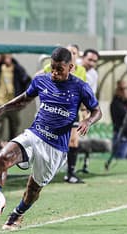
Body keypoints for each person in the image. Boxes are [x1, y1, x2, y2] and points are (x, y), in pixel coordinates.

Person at [0, 47, 102, 230]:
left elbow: (97, 111)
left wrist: (88, 121)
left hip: (55, 147)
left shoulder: (80, 87)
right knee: (3, 157)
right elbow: (24, 99)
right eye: (52, 68)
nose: (54, 73)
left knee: (33, 189)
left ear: (71, 67)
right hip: (35, 133)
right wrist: (2, 108)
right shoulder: (41, 80)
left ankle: (17, 215)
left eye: (59, 69)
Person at [42, 44, 87, 183]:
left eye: (74, 52)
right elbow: (40, 78)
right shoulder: (52, 68)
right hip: (55, 110)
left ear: (78, 55)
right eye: (70, 52)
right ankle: (46, 172)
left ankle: (70, 173)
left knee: (74, 140)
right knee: (51, 140)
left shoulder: (81, 71)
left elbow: (82, 91)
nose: (72, 54)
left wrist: (85, 111)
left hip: (72, 110)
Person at [0, 54, 31, 140]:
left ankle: (12, 149)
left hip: (13, 104)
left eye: (8, 54)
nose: (6, 56)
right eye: (4, 55)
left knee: (14, 129)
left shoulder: (17, 68)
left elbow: (28, 81)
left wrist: (25, 98)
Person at [110, 79, 127, 159]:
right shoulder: (116, 104)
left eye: (126, 89)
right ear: (118, 90)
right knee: (120, 161)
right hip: (122, 137)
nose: (125, 91)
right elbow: (126, 117)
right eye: (122, 89)